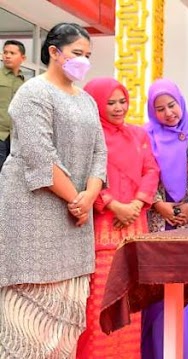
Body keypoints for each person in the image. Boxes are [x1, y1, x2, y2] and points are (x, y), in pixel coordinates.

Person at [0, 23, 106, 357]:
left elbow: (99, 153)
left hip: (76, 220)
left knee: (65, 322)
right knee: (27, 328)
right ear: (54, 53)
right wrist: (77, 199)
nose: (84, 61)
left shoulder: (87, 100)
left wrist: (89, 195)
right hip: (34, 217)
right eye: (77, 54)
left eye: (88, 55)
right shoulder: (33, 93)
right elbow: (39, 156)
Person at [76, 77, 160, 358]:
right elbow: (82, 175)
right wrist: (113, 205)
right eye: (110, 102)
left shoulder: (139, 135)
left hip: (135, 228)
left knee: (130, 308)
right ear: (96, 104)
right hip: (101, 229)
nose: (118, 107)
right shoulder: (88, 137)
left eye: (122, 101)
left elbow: (151, 171)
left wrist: (136, 203)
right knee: (98, 307)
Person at [142, 78, 188, 359]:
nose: (168, 113)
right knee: (163, 291)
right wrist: (160, 204)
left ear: (180, 101)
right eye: (159, 109)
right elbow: (146, 171)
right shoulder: (146, 134)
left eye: (171, 105)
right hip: (160, 221)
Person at [0, 39, 26, 171]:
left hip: (15, 138)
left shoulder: (25, 83)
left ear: (23, 58)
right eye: (5, 52)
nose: (7, 56)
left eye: (12, 53)